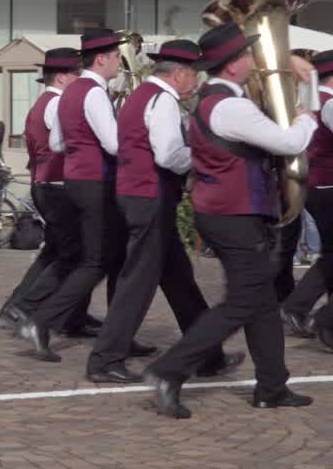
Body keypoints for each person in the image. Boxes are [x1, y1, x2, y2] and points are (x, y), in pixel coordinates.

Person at [145, 23, 317, 419]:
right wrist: (305, 115)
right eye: (247, 55)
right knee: (243, 301)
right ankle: (168, 370)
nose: (254, 61)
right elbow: (290, 142)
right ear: (233, 65)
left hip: (226, 212)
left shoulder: (214, 99)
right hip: (233, 215)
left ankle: (272, 386)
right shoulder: (230, 106)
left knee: (262, 302)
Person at [85, 41, 240, 384]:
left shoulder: (143, 95)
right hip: (150, 196)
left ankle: (207, 356)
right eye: (194, 75)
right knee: (138, 282)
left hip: (141, 195)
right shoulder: (163, 100)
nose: (196, 83)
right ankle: (105, 359)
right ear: (180, 73)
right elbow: (169, 155)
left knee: (179, 280)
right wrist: (203, 159)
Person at [17, 29, 154, 363]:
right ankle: (41, 321)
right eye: (116, 59)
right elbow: (112, 144)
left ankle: (119, 333)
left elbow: (57, 144)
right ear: (103, 58)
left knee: (113, 257)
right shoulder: (93, 92)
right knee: (96, 261)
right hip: (97, 182)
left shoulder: (71, 92)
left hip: (77, 181)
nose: (119, 65)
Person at [0, 49, 91, 329]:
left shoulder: (47, 102)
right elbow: (68, 142)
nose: (80, 78)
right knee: (75, 254)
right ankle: (30, 309)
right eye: (77, 73)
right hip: (57, 186)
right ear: (62, 77)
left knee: (54, 252)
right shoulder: (57, 104)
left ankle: (17, 307)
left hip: (46, 184)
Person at [281, 50, 333, 337]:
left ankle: (297, 308)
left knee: (330, 255)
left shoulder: (315, 101)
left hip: (316, 185)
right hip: (328, 186)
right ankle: (312, 315)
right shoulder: (329, 104)